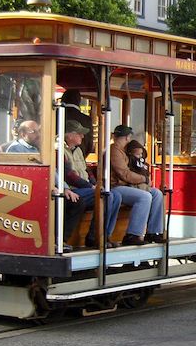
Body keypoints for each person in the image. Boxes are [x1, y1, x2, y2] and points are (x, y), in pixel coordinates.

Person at [60, 119, 121, 248]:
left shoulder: (77, 150)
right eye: (79, 133)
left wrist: (95, 183)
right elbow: (68, 176)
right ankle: (94, 237)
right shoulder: (59, 150)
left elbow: (87, 170)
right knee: (105, 196)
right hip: (71, 190)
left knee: (115, 196)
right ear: (69, 135)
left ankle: (106, 234)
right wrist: (92, 187)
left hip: (86, 189)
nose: (83, 136)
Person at [110, 125, 165, 245]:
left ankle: (153, 232)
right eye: (128, 138)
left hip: (127, 186)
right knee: (144, 197)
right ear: (126, 137)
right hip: (115, 187)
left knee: (157, 194)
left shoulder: (123, 151)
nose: (128, 140)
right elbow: (124, 174)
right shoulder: (114, 150)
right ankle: (133, 234)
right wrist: (144, 179)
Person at [61, 89, 94, 156]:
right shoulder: (86, 119)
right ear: (79, 101)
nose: (82, 136)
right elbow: (89, 145)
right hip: (80, 159)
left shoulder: (53, 116)